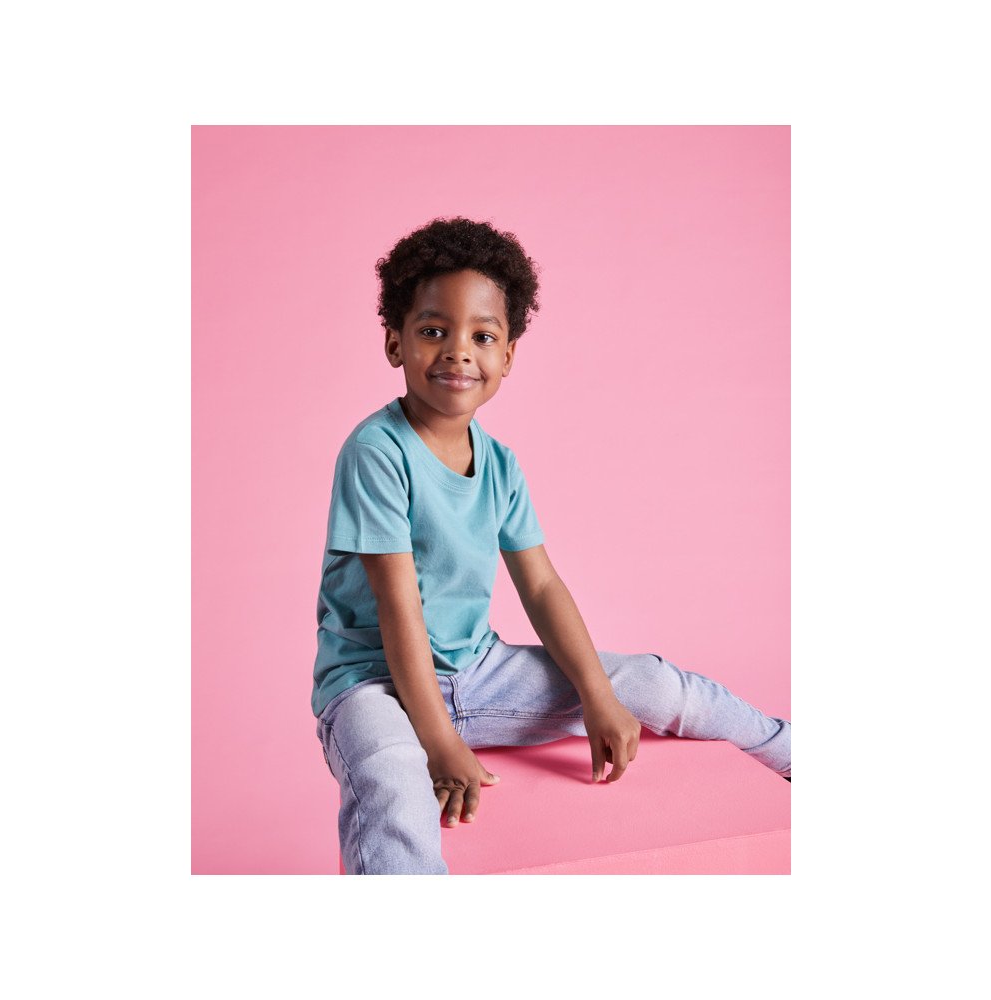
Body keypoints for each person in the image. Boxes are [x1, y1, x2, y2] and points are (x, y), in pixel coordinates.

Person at [312, 217, 791, 875]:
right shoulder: (376, 452)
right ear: (395, 342)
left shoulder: (501, 465)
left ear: (508, 356)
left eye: (482, 336)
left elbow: (539, 586)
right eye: (433, 331)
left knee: (649, 682)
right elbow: (399, 610)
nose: (458, 352)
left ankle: (788, 753)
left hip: (476, 674)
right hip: (372, 684)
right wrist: (439, 743)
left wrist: (596, 693)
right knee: (393, 778)